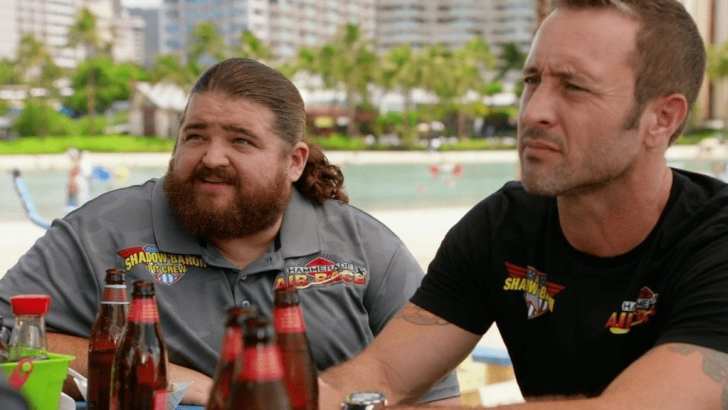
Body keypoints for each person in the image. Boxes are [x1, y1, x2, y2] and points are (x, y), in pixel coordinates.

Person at [320, 1, 728, 409]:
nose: (533, 112)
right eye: (532, 81)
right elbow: (383, 375)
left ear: (663, 117)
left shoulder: (714, 240)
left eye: (574, 87)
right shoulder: (503, 226)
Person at [0, 59, 459, 404]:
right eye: (195, 136)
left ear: (294, 161)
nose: (212, 157)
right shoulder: (101, 231)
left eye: (241, 140)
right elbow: (5, 338)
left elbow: (436, 396)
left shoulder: (367, 248)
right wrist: (187, 383)